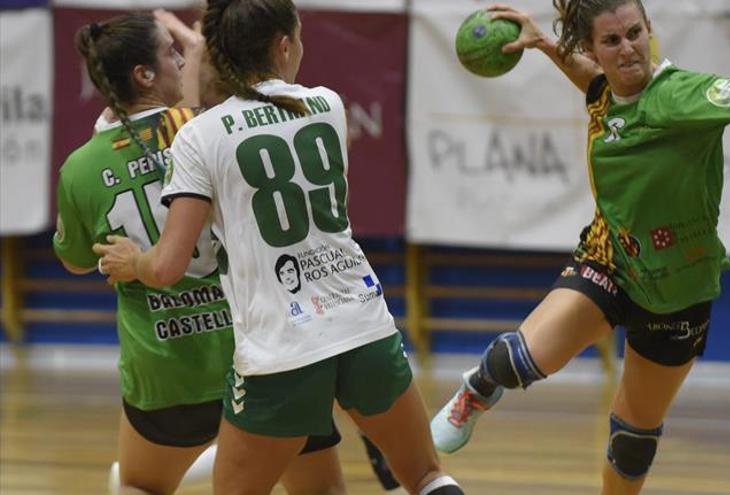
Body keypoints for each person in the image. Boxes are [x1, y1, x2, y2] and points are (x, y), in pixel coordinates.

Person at [429, 1, 730, 494]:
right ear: (593, 48)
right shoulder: (603, 94)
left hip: (679, 292)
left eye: (634, 33)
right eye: (611, 41)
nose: (628, 48)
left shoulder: (683, 95)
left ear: (649, 30)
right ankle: (477, 389)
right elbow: (593, 83)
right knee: (518, 360)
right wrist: (545, 42)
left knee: (633, 442)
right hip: (608, 261)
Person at [93, 1, 462, 494]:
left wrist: (132, 261)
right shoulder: (327, 105)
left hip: (281, 350)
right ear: (283, 45)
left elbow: (166, 266)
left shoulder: (197, 137)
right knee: (426, 477)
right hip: (364, 328)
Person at [56, 11, 352, 495]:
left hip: (168, 370)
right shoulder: (216, 128)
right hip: (263, 353)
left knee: (138, 485)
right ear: (144, 75)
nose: (181, 58)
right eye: (170, 52)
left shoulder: (81, 167)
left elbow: (75, 259)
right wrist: (205, 49)